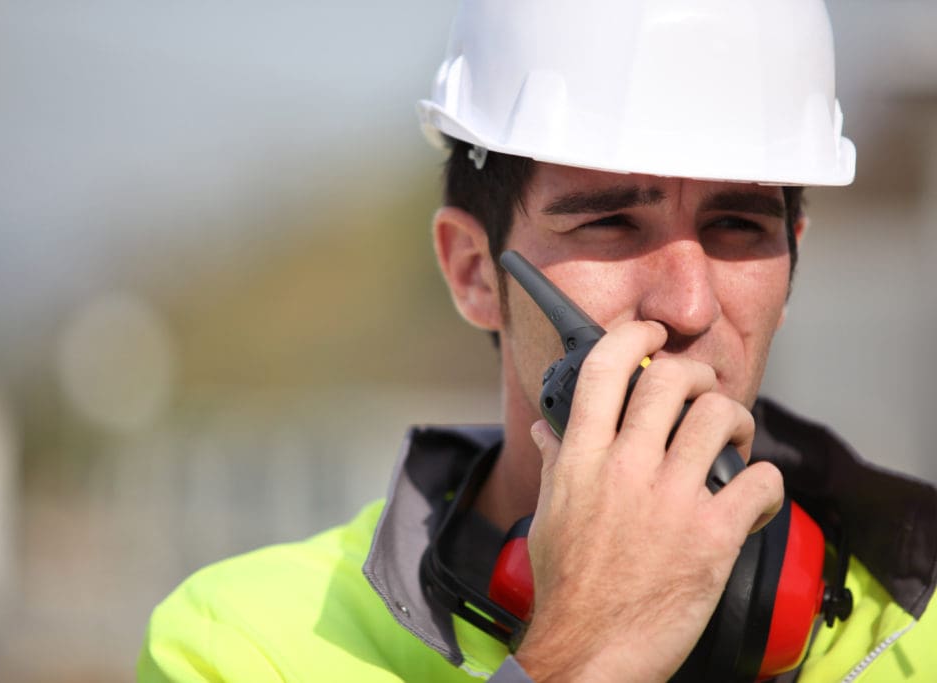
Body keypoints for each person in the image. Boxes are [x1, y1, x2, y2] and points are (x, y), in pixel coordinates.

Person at [138, 2, 937, 681]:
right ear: (473, 271)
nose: (690, 304)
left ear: (793, 263)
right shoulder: (243, 643)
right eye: (610, 222)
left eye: (737, 225)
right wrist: (578, 654)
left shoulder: (919, 639)